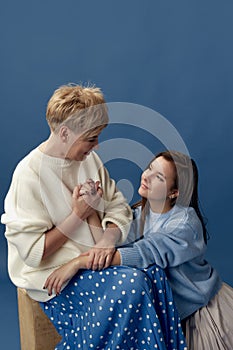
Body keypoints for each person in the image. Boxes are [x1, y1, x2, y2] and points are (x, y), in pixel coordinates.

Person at [1, 86, 187, 350]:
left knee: (155, 274)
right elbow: (34, 253)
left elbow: (119, 208)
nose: (97, 145)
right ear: (65, 133)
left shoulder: (90, 160)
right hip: (55, 278)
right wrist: (79, 214)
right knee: (131, 284)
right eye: (91, 138)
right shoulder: (29, 175)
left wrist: (107, 240)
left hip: (93, 263)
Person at [46, 150, 233, 349]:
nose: (147, 176)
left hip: (203, 311)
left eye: (159, 177)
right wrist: (91, 208)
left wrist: (76, 263)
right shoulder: (139, 214)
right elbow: (105, 246)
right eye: (150, 168)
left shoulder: (184, 222)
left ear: (174, 192)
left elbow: (145, 252)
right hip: (170, 313)